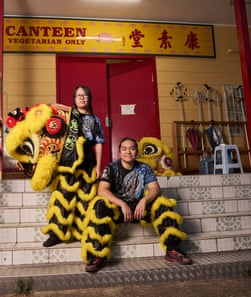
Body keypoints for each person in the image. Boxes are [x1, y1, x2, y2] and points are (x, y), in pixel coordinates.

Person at [81, 137, 192, 272]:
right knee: (99, 204)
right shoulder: (111, 168)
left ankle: (173, 250)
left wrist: (144, 200)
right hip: (119, 210)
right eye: (124, 149)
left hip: (140, 208)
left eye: (132, 149)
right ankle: (97, 255)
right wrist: (122, 203)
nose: (128, 152)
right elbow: (102, 190)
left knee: (163, 203)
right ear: (120, 152)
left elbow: (155, 189)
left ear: (136, 152)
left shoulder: (144, 168)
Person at [42, 85, 105, 247]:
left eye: (85, 95)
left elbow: (98, 144)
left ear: (89, 98)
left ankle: (84, 231)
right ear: (74, 99)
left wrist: (98, 167)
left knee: (86, 196)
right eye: (79, 95)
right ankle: (55, 233)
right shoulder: (68, 116)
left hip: (88, 161)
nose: (82, 98)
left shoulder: (94, 119)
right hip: (68, 161)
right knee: (63, 195)